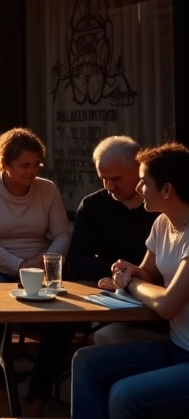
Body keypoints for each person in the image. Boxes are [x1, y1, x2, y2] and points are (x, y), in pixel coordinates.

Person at [62, 143, 189, 419]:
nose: (139, 188)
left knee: (124, 394)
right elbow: (148, 275)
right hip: (177, 349)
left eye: (145, 181)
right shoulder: (164, 223)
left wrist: (131, 286)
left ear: (167, 189)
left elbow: (166, 304)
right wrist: (128, 272)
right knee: (85, 362)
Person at [0, 127, 73, 415]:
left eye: (37, 164)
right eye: (24, 165)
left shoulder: (47, 189)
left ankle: (37, 396)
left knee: (65, 319)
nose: (32, 171)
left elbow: (63, 234)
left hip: (40, 270)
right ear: (5, 164)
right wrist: (18, 264)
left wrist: (46, 259)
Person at [69, 136, 164, 346]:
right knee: (61, 322)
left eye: (116, 178)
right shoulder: (94, 205)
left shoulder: (162, 210)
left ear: (139, 170)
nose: (109, 186)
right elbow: (76, 261)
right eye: (103, 179)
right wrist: (116, 272)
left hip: (158, 298)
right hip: (118, 297)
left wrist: (127, 278)